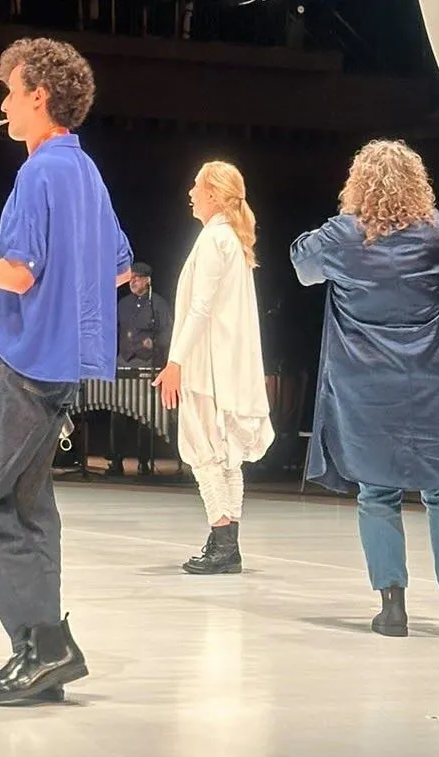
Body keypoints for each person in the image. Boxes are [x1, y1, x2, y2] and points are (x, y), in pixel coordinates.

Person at [0, 37, 133, 705]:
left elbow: (18, 273)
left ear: (38, 97)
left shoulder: (38, 173)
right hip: (62, 368)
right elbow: (117, 268)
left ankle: (45, 645)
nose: (3, 104)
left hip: (18, 364)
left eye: (10, 92)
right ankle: (38, 653)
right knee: (29, 513)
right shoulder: (88, 173)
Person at [291, 139, 439, 640]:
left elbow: (302, 265)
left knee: (377, 492)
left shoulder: (340, 236)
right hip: (436, 384)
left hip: (367, 386)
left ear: (357, 184)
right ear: (418, 184)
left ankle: (392, 608)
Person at [153, 161, 275, 575]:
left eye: (196, 186)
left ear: (212, 194)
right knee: (225, 457)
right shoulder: (230, 240)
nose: (190, 192)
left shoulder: (213, 240)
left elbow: (200, 308)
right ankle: (226, 541)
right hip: (224, 362)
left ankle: (222, 540)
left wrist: (175, 362)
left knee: (205, 450)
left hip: (207, 366)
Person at [108, 260, 171, 476]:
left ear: (147, 280)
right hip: (123, 362)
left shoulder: (158, 305)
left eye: (137, 278)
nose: (132, 282)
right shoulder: (122, 304)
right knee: (117, 413)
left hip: (147, 364)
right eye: (131, 278)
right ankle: (115, 461)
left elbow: (167, 332)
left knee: (145, 416)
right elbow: (112, 330)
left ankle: (144, 461)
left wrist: (154, 344)